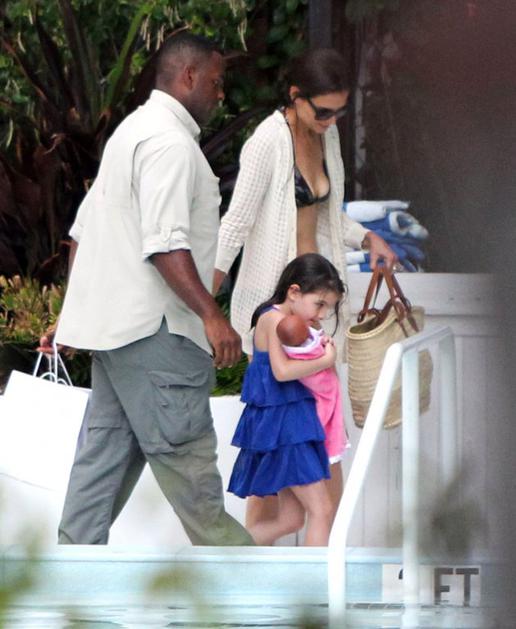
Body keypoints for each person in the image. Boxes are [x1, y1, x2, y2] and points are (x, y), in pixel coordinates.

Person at [38, 32, 253, 546]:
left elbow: (84, 234)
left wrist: (75, 315)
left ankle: (67, 588)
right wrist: (213, 316)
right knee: (201, 503)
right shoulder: (170, 144)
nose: (220, 94)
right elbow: (165, 244)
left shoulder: (131, 133)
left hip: (120, 341)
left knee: (93, 490)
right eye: (216, 82)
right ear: (189, 76)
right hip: (159, 339)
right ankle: (263, 595)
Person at [213, 47, 396, 531]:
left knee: (322, 448)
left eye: (340, 112)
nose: (332, 122)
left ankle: (315, 559)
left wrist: (369, 238)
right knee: (272, 463)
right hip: (280, 317)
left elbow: (328, 215)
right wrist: (206, 311)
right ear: (295, 97)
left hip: (318, 315)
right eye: (323, 111)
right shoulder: (266, 142)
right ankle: (255, 568)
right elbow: (234, 226)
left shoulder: (326, 137)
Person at [228, 253, 345, 546]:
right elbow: (281, 372)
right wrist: (326, 359)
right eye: (319, 304)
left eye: (327, 308)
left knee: (292, 520)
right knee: (322, 509)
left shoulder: (292, 323)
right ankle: (314, 578)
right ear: (294, 292)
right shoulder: (273, 319)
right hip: (284, 428)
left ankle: (229, 552)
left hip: (290, 426)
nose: (322, 314)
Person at [277, 315, 347, 466]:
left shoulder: (288, 351)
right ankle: (328, 442)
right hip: (324, 384)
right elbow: (326, 352)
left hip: (310, 386)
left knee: (322, 411)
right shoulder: (311, 347)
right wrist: (328, 345)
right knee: (326, 410)